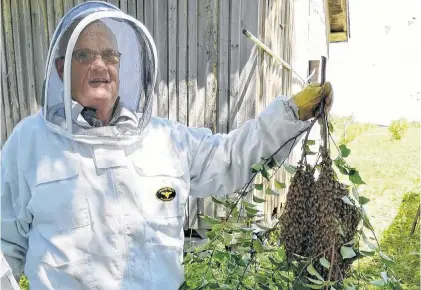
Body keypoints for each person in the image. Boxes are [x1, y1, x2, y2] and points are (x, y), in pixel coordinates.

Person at [0, 2, 333, 289]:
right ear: (61, 68)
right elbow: (4, 245)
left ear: (121, 65)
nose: (99, 65)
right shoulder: (29, 143)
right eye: (84, 55)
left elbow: (232, 158)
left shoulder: (165, 140)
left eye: (109, 55)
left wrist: (290, 115)